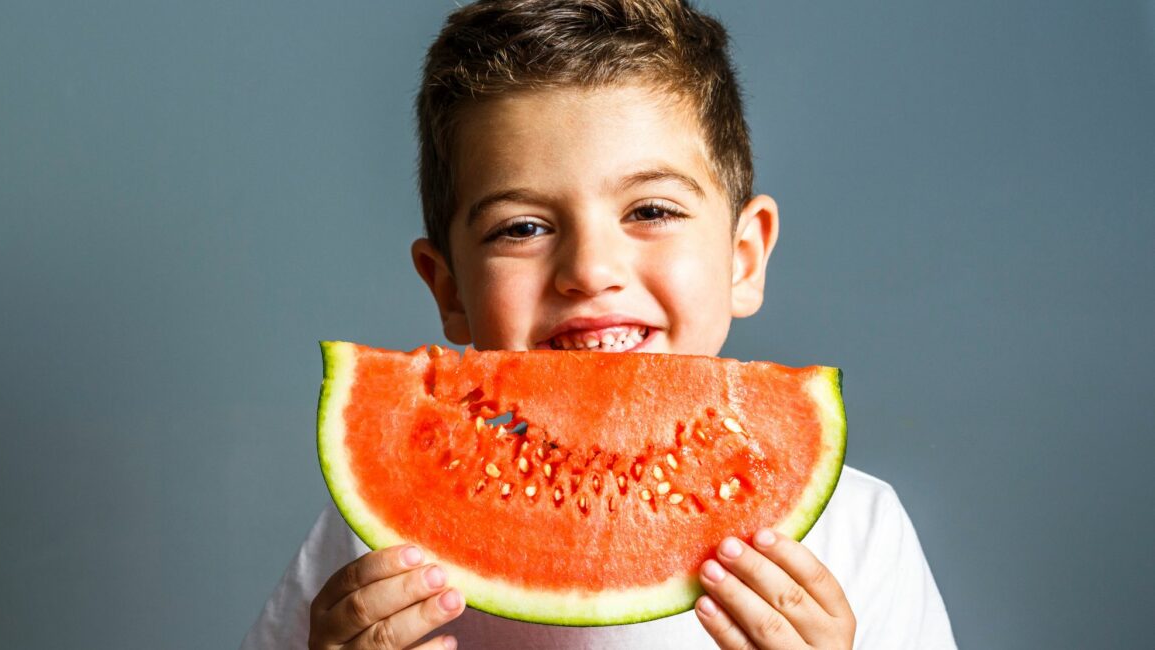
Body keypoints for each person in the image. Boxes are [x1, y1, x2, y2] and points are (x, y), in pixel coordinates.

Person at [243, 1, 956, 648]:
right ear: (448, 287)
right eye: (521, 227)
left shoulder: (858, 533)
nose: (589, 269)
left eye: (650, 211)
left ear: (743, 259)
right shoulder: (378, 541)